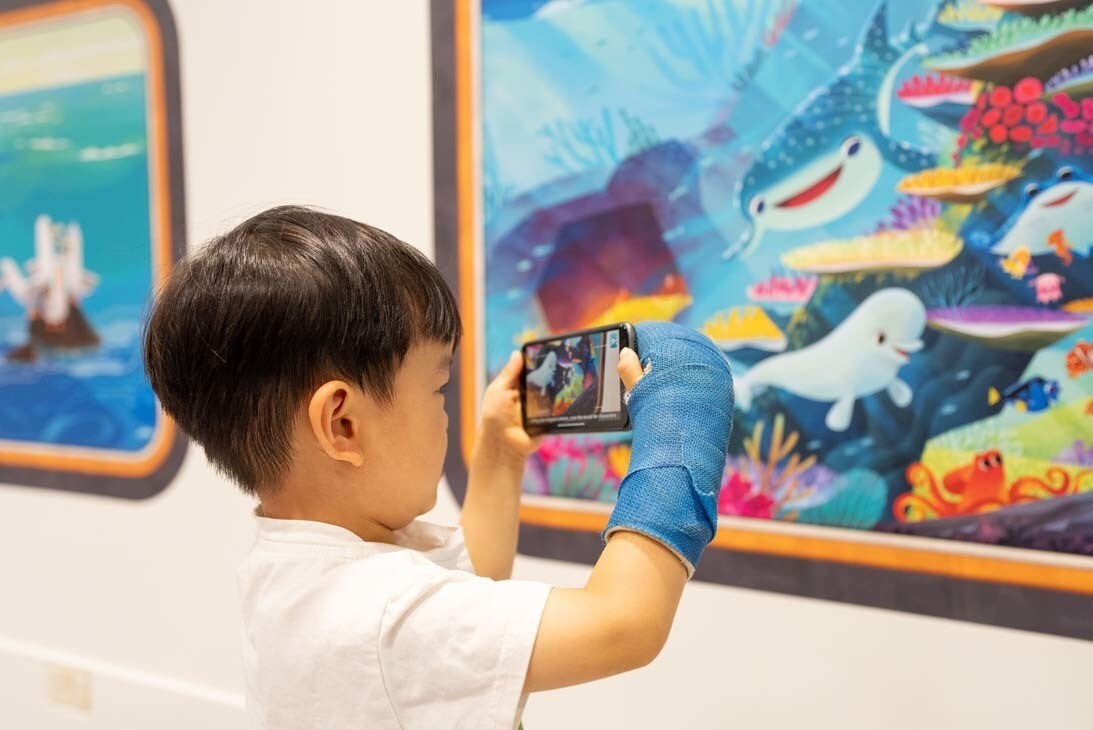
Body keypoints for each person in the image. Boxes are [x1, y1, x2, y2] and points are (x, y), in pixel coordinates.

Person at [142, 205, 734, 730]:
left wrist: (499, 453)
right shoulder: (383, 618)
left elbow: (469, 583)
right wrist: (683, 408)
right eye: (438, 388)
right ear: (342, 424)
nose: (445, 414)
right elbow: (622, 625)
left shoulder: (295, 568)